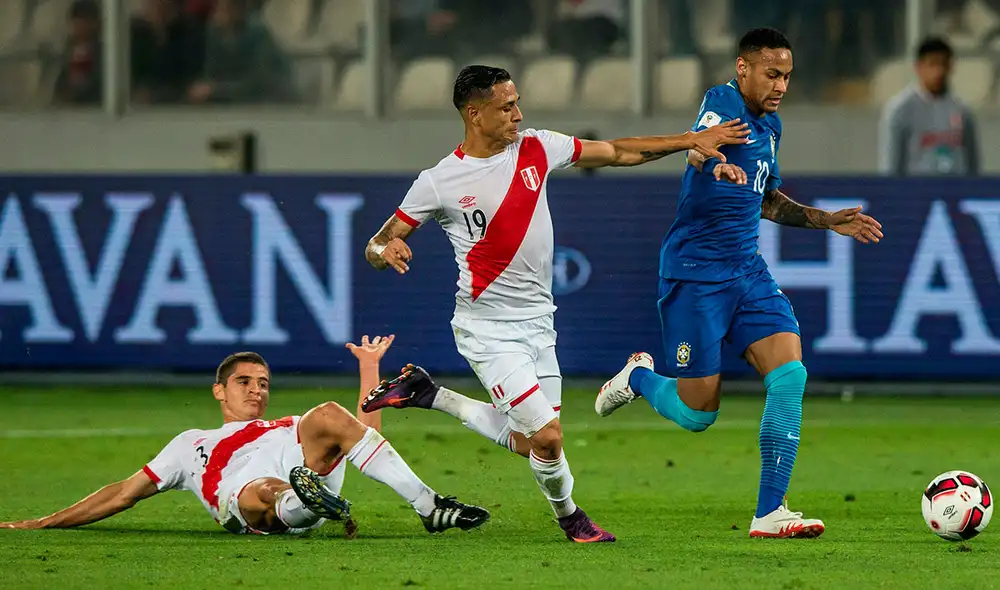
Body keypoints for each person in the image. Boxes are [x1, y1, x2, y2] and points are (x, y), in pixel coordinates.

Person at [360, 64, 750, 543]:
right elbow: (377, 244)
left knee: (531, 442)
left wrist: (689, 140)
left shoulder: (537, 147)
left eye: (518, 103)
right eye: (506, 107)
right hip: (488, 330)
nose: (518, 115)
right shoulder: (440, 180)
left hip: (540, 323)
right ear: (474, 113)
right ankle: (571, 518)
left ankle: (429, 394)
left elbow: (618, 152)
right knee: (548, 439)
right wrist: (387, 251)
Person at [594, 28, 884, 538]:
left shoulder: (772, 127)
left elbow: (767, 199)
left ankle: (770, 512)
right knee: (697, 414)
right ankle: (638, 377)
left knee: (790, 375)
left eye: (788, 76)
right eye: (772, 74)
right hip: (694, 275)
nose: (781, 86)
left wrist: (825, 220)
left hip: (746, 273)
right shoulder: (722, 101)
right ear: (743, 67)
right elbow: (699, 151)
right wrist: (716, 162)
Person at [0, 335, 490, 536]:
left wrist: (369, 369)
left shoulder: (286, 427)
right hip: (245, 498)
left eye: (263, 384)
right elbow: (123, 494)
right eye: (244, 382)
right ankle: (299, 499)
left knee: (329, 414)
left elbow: (363, 434)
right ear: (219, 390)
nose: (256, 391)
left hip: (305, 474)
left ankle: (427, 505)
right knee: (264, 489)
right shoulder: (192, 444)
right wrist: (44, 522)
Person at [878, 36, 980, 176]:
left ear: (951, 67)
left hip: (953, 193)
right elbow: (890, 166)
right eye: (932, 64)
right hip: (916, 194)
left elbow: (972, 164)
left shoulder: (962, 110)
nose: (939, 72)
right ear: (919, 68)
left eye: (943, 64)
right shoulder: (900, 110)